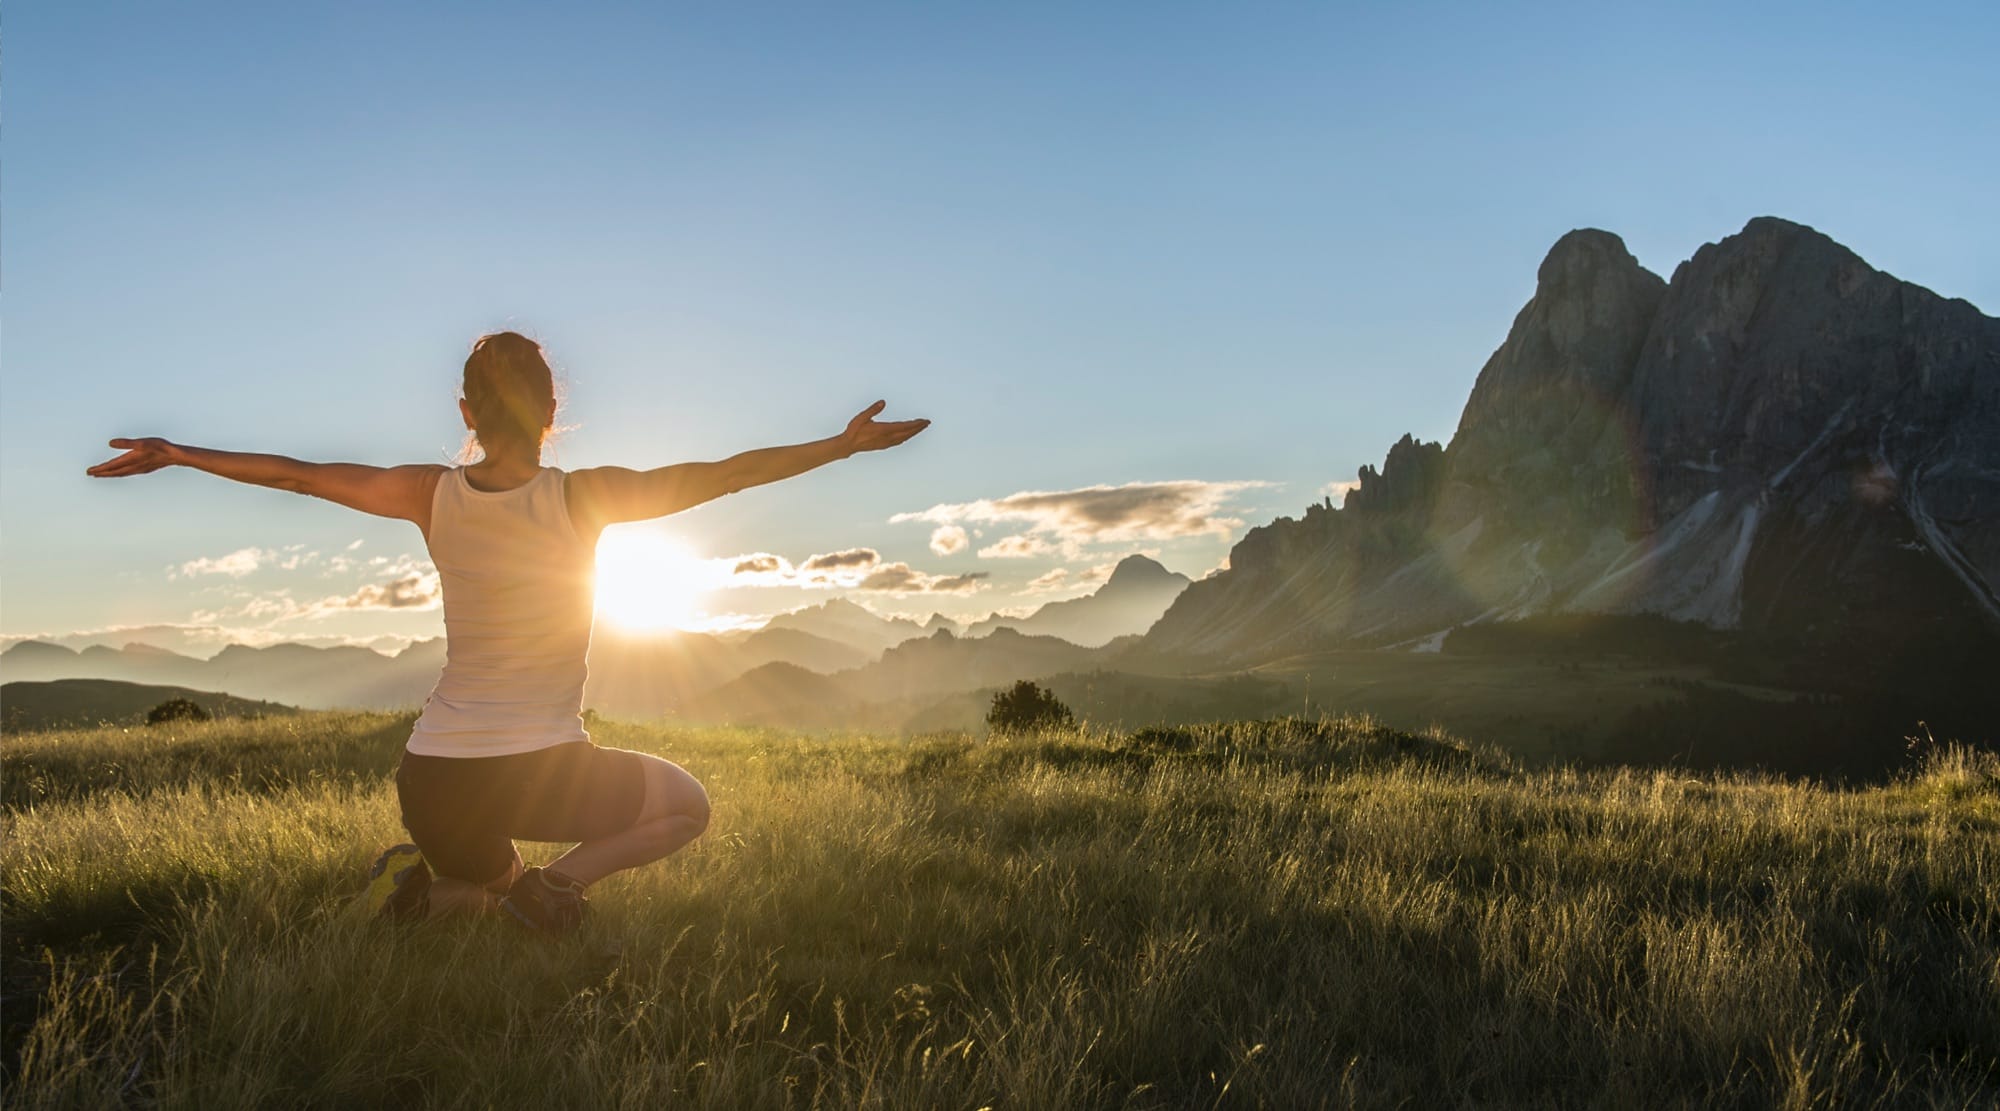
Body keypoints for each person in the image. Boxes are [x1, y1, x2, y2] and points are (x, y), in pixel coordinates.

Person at [87, 331, 929, 932]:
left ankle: (436, 892)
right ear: (553, 410)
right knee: (687, 805)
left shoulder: (428, 492)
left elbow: (300, 477)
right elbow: (723, 477)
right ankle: (554, 890)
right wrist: (839, 447)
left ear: (466, 410)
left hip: (431, 783)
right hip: (539, 771)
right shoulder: (582, 497)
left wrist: (181, 453)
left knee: (484, 890)